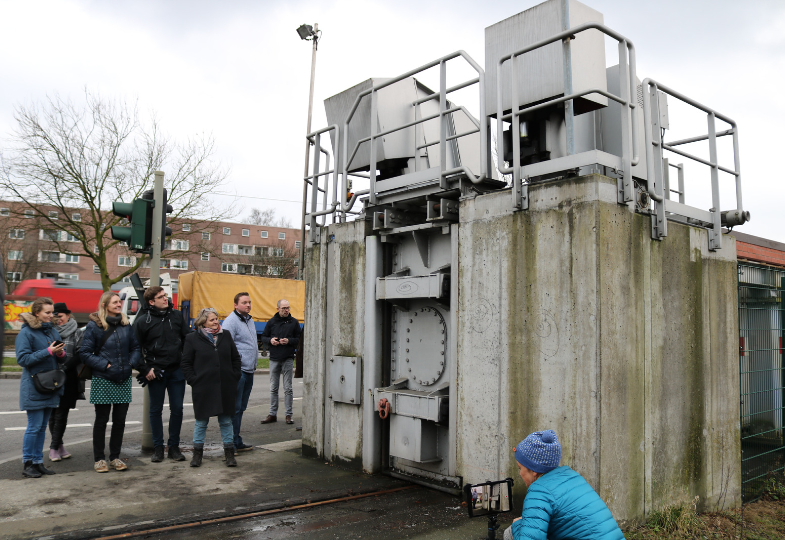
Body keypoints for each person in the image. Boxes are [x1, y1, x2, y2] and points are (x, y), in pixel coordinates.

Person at [505, 430, 624, 540]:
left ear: (534, 470)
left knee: (510, 532)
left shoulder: (539, 491)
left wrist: (517, 526)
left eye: (520, 468)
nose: (520, 474)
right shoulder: (571, 476)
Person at [80, 291, 142, 473]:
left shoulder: (125, 324)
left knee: (120, 421)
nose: (119, 304)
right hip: (103, 378)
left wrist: (131, 363)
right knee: (101, 420)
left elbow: (136, 348)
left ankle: (115, 457)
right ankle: (99, 459)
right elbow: (84, 353)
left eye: (119, 302)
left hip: (123, 378)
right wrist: (105, 365)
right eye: (115, 302)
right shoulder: (95, 326)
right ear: (105, 305)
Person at [133, 285, 189, 463]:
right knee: (155, 411)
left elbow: (188, 340)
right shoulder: (143, 321)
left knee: (178, 409)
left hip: (176, 371)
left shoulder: (177, 316)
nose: (166, 299)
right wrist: (145, 369)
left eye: (166, 296)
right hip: (155, 373)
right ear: (151, 302)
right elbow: (134, 349)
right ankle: (158, 448)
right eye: (161, 297)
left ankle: (174, 447)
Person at [181, 308, 242, 467]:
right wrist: (194, 380)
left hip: (225, 386)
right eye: (212, 320)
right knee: (201, 422)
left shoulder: (225, 335)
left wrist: (234, 376)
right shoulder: (192, 338)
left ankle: (229, 454)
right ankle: (197, 455)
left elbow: (235, 358)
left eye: (217, 319)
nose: (216, 322)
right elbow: (186, 363)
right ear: (203, 322)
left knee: (226, 421)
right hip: (203, 387)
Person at [16, 297, 65, 478]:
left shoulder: (52, 331)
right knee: (34, 426)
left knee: (43, 426)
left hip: (50, 385)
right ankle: (28, 463)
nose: (51, 315)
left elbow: (61, 358)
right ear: (37, 313)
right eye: (47, 312)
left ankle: (38, 462)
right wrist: (48, 351)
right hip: (34, 385)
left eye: (52, 312)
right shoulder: (26, 333)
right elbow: (23, 359)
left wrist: (60, 353)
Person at [47, 302, 85, 462]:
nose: (58, 320)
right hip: (50, 376)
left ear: (68, 315)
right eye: (55, 316)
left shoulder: (76, 332)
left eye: (60, 316)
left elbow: (81, 353)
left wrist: (66, 367)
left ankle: (54, 447)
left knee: (62, 413)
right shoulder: (49, 331)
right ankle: (58, 445)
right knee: (52, 413)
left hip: (69, 377)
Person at [221, 292, 258, 452]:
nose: (248, 305)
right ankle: (231, 443)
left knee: (241, 408)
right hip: (239, 371)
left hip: (249, 370)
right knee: (234, 409)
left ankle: (237, 440)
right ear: (235, 305)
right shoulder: (231, 321)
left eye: (249, 302)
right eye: (244, 303)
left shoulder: (249, 320)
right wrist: (234, 368)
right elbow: (225, 345)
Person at [260, 299, 301, 425]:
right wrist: (271, 340)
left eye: (287, 308)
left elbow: (299, 339)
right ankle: (272, 414)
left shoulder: (294, 322)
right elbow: (263, 337)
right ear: (277, 309)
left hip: (288, 357)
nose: (286, 310)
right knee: (273, 388)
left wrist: (288, 341)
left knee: (288, 388)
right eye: (283, 308)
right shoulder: (272, 322)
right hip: (274, 358)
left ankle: (288, 415)